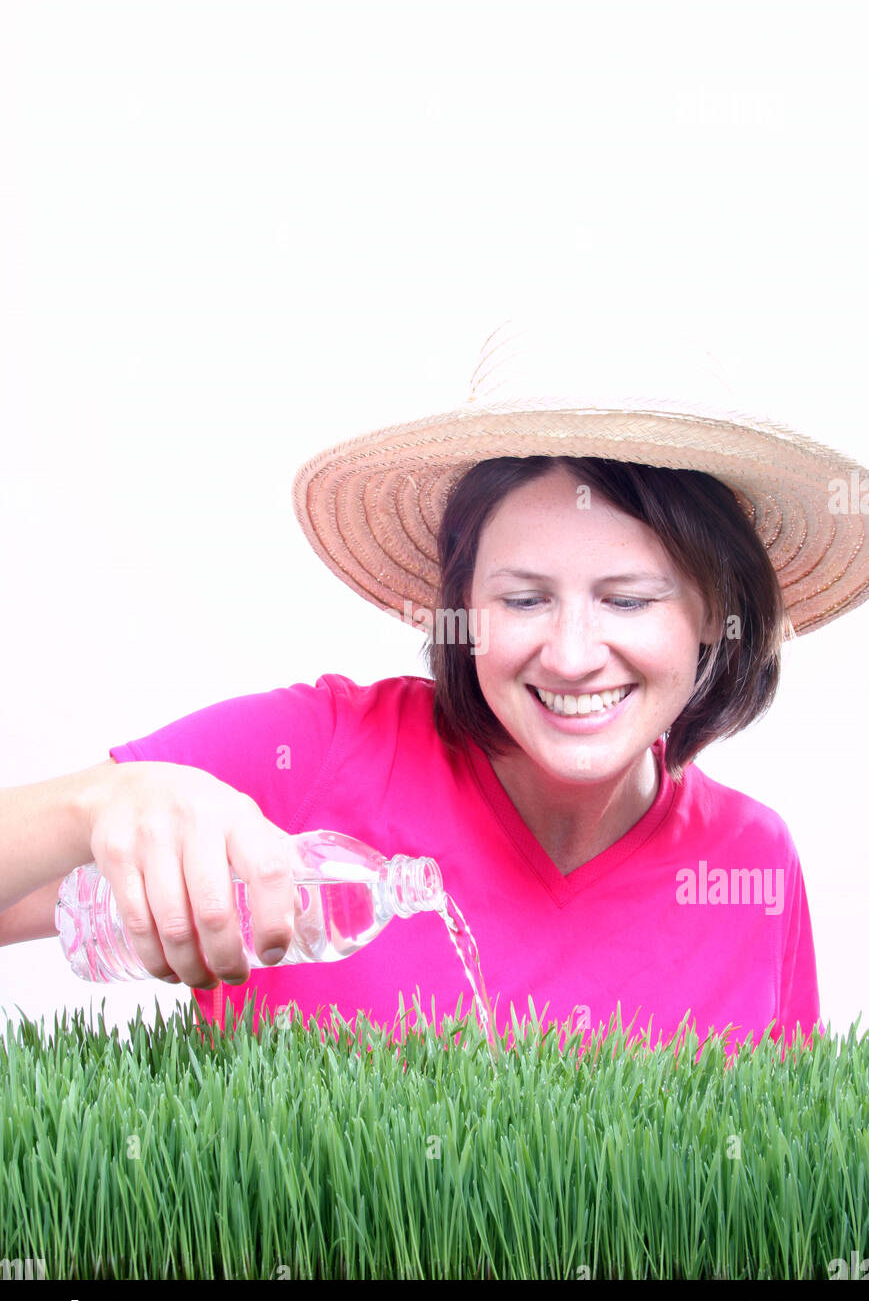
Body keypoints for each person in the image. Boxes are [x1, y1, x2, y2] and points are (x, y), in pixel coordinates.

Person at [3, 321, 868, 1058]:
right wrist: (97, 801)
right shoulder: (316, 757)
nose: (569, 655)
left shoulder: (750, 863)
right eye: (522, 599)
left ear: (716, 612)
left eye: (628, 600)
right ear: (460, 605)